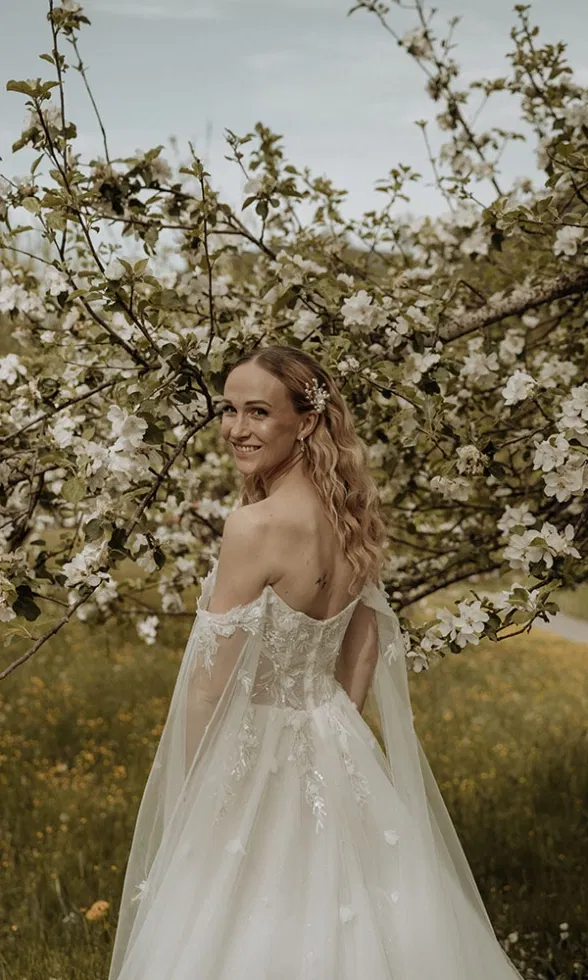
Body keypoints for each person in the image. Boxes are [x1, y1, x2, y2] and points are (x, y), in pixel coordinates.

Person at [108, 345, 524, 980]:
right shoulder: (349, 516)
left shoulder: (256, 526)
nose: (236, 429)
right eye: (228, 410)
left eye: (257, 412)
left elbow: (206, 687)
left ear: (304, 422)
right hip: (335, 738)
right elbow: (362, 647)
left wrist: (189, 799)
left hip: (253, 746)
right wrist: (331, 726)